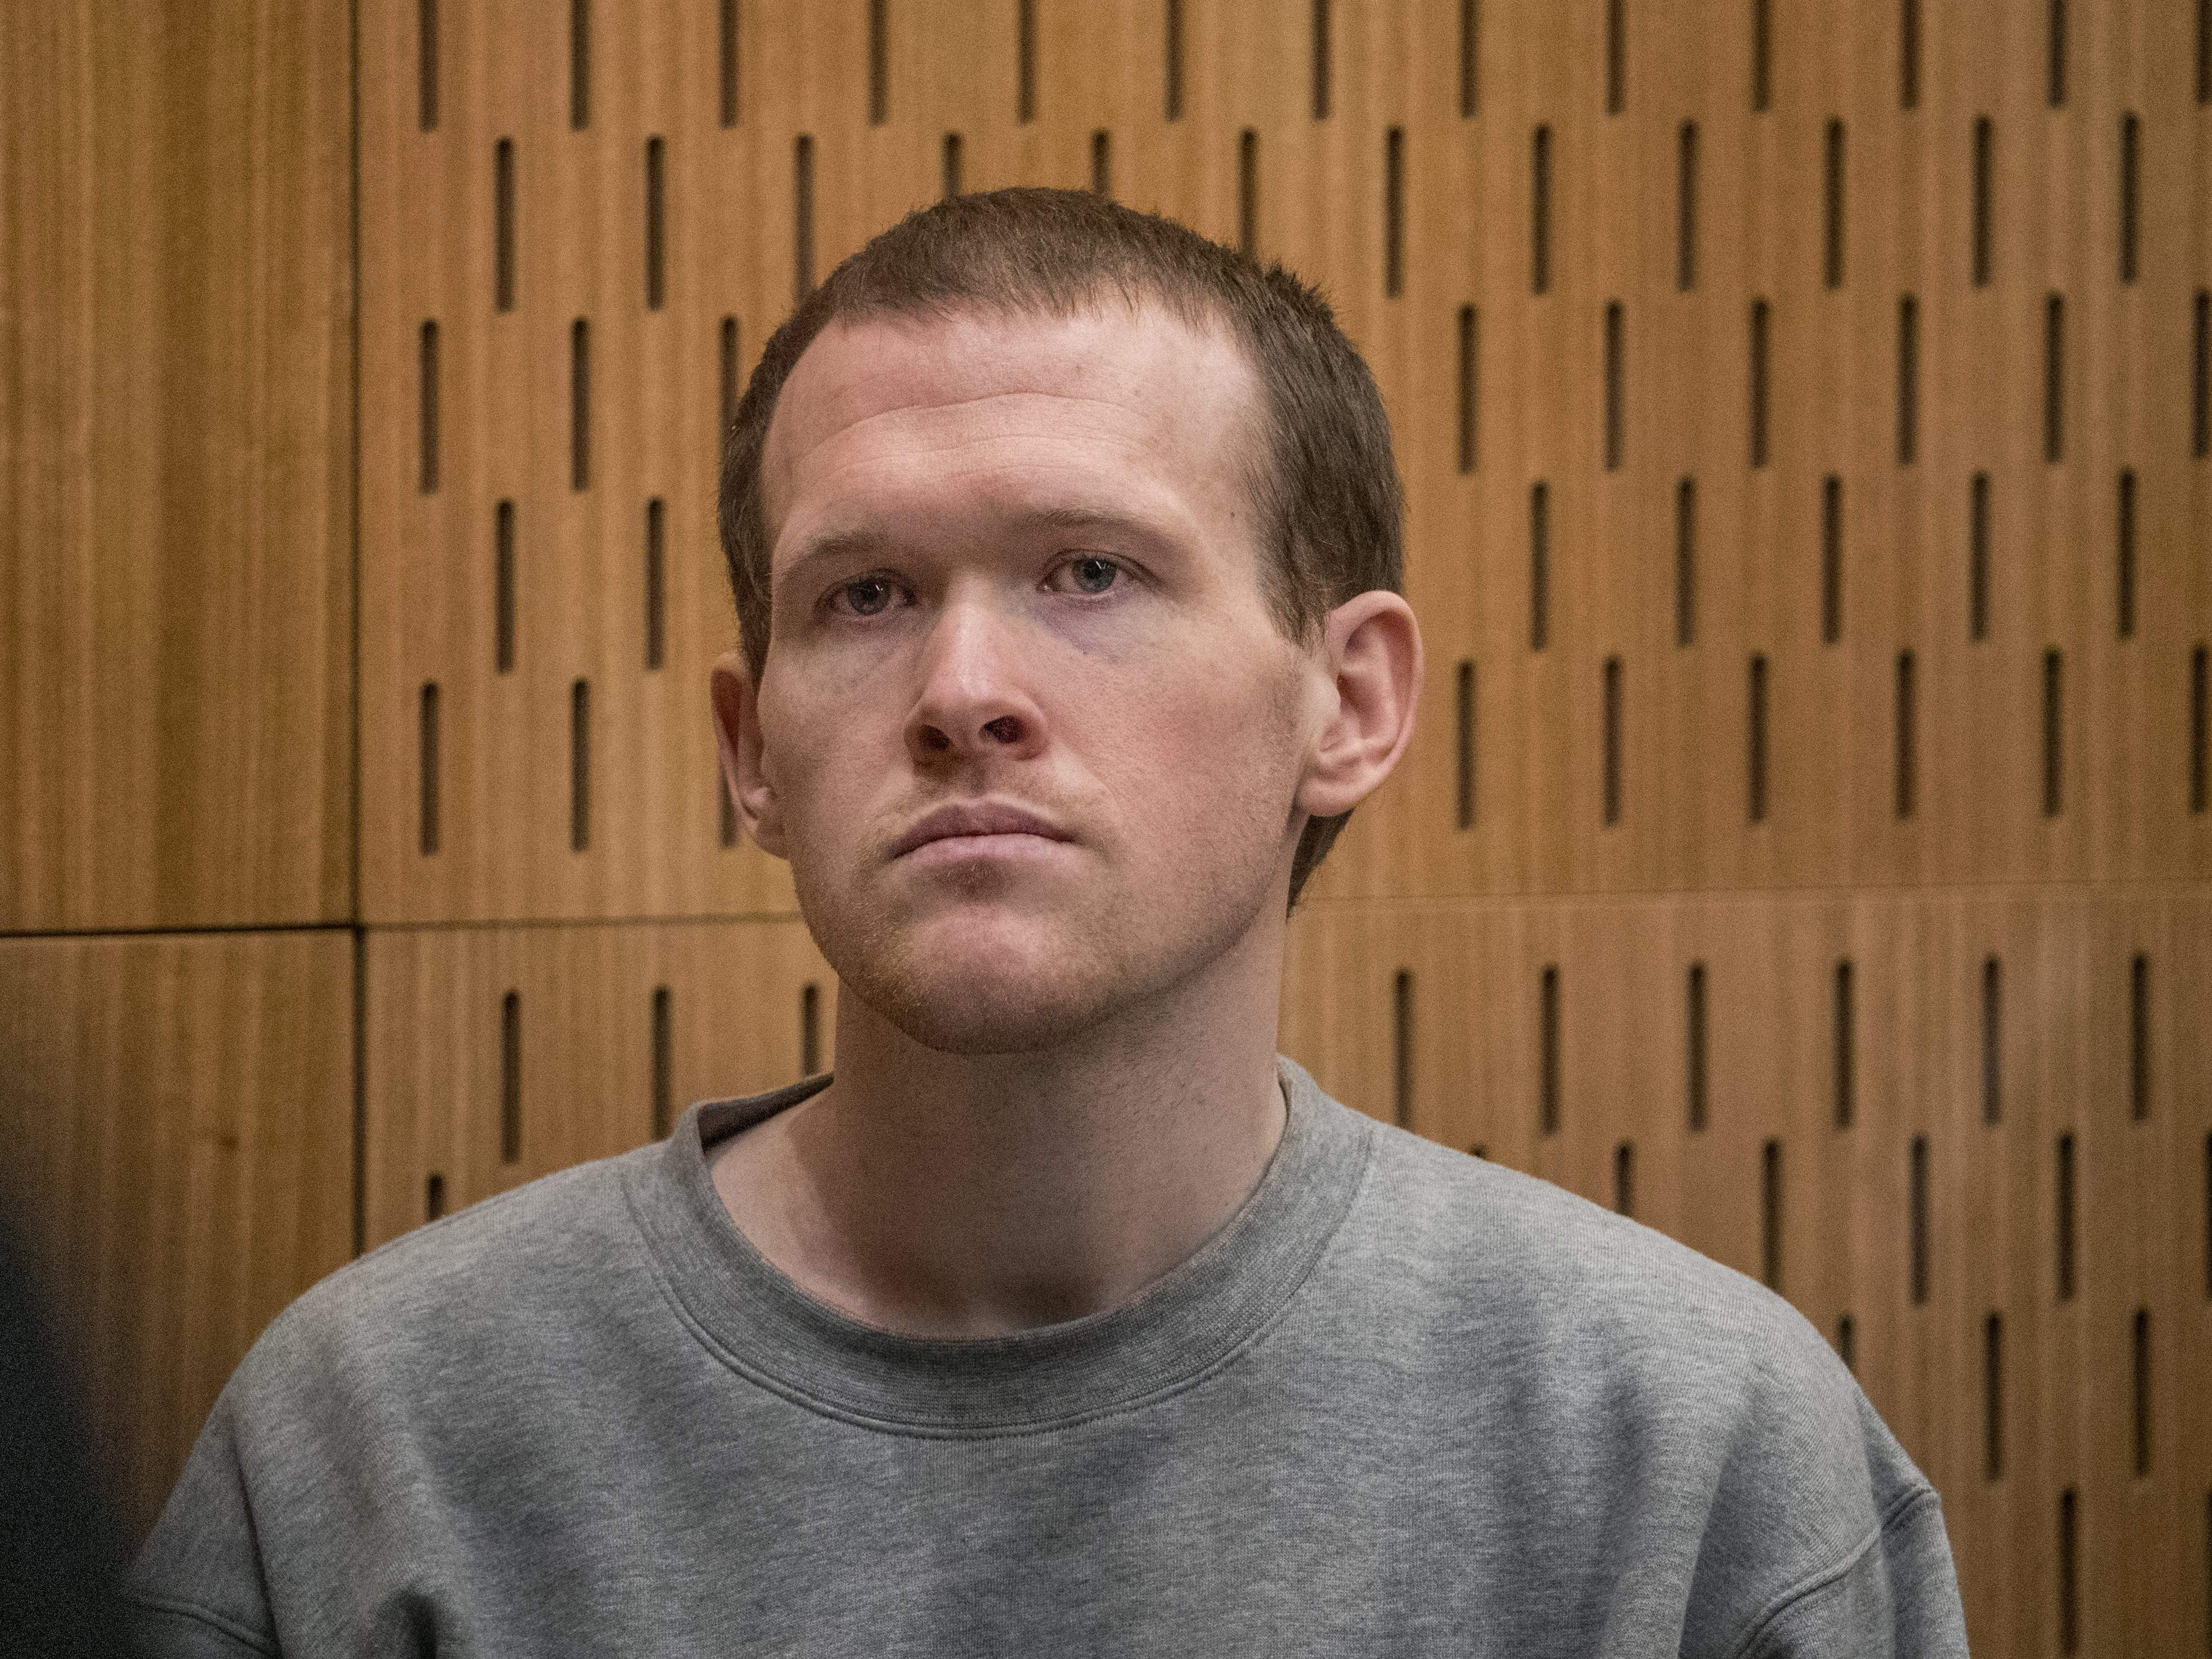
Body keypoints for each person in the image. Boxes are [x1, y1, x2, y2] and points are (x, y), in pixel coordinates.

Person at [128, 185, 1969, 1656]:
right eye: (861, 595)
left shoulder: (1690, 1457)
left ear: (1348, 701)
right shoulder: (375, 1444)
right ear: (746, 747)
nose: (964, 686)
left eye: (1091, 570)